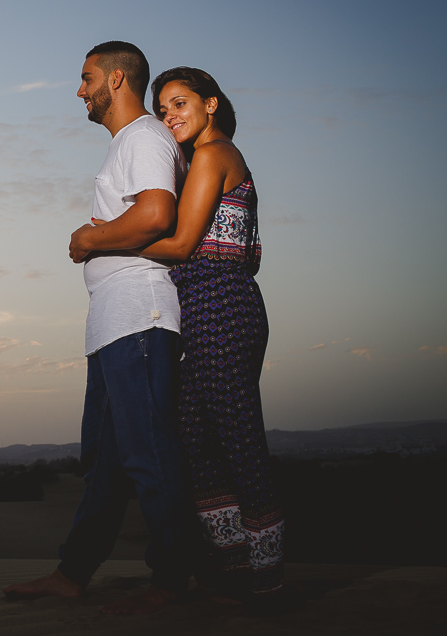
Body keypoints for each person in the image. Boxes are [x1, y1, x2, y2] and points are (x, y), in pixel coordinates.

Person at [4, 41, 192, 615]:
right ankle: (73, 572)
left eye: (86, 78)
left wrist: (89, 239)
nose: (79, 90)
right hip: (113, 324)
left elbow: (158, 214)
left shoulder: (143, 137)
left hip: (140, 315)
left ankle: (176, 579)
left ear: (115, 79)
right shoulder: (126, 145)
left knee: (148, 454)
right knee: (107, 463)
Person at [127, 66, 285, 602]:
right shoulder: (200, 160)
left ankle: (267, 575)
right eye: (163, 108)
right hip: (200, 307)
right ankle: (232, 565)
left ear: (210, 104)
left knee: (238, 439)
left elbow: (180, 244)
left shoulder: (215, 154)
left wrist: (105, 239)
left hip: (222, 306)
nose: (169, 115)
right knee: (196, 440)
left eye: (179, 103)